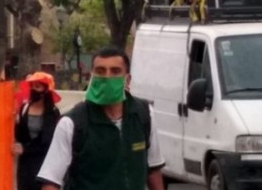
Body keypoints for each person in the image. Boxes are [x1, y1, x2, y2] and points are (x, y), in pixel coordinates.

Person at [36, 47, 166, 190]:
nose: (107, 77)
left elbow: (153, 170)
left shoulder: (144, 114)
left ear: (127, 79)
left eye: (115, 71)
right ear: (92, 77)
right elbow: (51, 181)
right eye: (100, 71)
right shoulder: (72, 123)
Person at [12, 72, 61, 190]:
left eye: (38, 87)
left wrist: (25, 149)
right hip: (25, 165)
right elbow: (20, 136)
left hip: (44, 164)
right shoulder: (24, 108)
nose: (34, 89)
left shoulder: (53, 113)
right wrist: (14, 122)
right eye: (32, 86)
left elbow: (48, 142)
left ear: (46, 91)